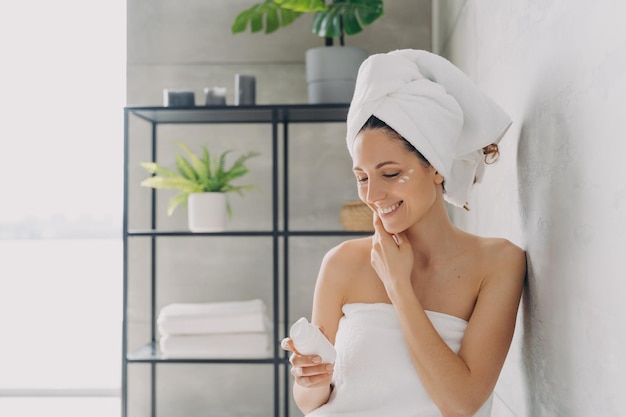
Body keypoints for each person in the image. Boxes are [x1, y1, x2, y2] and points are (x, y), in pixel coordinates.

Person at [281, 49, 526, 417]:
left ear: (437, 168)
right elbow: (311, 402)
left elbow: (461, 404)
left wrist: (398, 285)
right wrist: (310, 381)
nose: (372, 195)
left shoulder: (497, 263)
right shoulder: (342, 263)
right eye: (362, 177)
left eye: (391, 173)